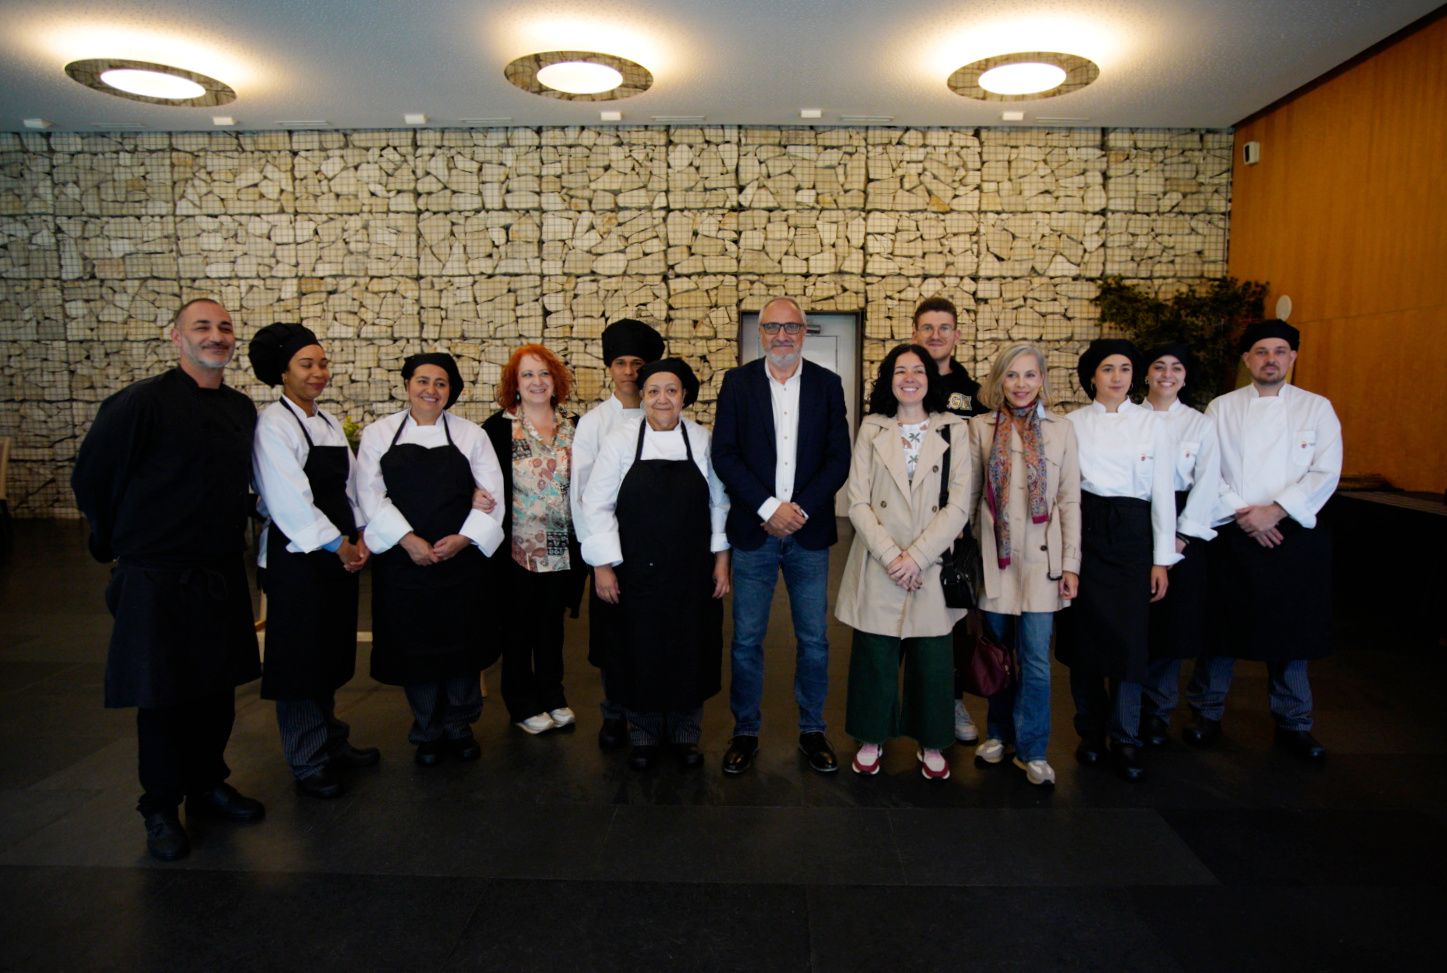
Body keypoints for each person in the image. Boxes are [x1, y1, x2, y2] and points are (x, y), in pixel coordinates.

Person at [72, 297, 264, 862]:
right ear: (176, 337)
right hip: (156, 573)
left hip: (220, 568)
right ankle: (159, 806)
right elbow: (92, 477)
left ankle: (207, 784)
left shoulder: (239, 408)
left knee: (217, 688)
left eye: (224, 327)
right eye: (202, 326)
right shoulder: (140, 403)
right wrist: (117, 543)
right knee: (161, 695)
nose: (216, 336)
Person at [1185, 319, 1342, 761]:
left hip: (1293, 533)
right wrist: (1245, 513)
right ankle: (1206, 714)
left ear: (1293, 357)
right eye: (1261, 351)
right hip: (1233, 530)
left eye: (1279, 351)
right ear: (1247, 359)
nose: (1270, 359)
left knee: (1293, 633)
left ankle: (1294, 723)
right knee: (1221, 630)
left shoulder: (1317, 408)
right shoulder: (1222, 408)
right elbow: (1207, 469)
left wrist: (1275, 511)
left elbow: (1326, 470)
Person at [711, 296, 851, 775]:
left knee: (814, 639)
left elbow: (838, 458)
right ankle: (745, 731)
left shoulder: (828, 385)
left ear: (804, 333)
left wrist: (800, 509)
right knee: (746, 639)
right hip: (755, 530)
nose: (782, 336)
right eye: (773, 327)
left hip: (808, 533)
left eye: (791, 327)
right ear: (761, 334)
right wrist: (769, 508)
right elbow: (725, 454)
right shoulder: (737, 383)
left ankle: (813, 730)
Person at [248, 323, 379, 800]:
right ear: (282, 373)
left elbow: (351, 485)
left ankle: (332, 741)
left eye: (322, 363)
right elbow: (289, 501)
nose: (318, 372)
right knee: (300, 661)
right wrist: (338, 545)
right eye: (306, 364)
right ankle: (307, 759)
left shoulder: (326, 421)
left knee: (328, 653)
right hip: (297, 560)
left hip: (337, 554)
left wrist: (362, 534)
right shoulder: (273, 424)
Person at [579, 358, 731, 770]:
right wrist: (603, 565)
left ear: (684, 396)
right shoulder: (620, 441)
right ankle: (643, 734)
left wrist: (721, 561)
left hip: (691, 571)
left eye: (671, 390)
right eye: (653, 391)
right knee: (638, 649)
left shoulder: (701, 439)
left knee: (689, 649)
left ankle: (685, 735)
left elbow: (719, 503)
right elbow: (596, 504)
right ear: (643, 396)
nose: (662, 399)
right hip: (635, 572)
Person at [356, 352, 505, 766]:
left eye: (441, 383)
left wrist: (463, 538)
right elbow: (368, 494)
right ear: (407, 384)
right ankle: (427, 730)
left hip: (460, 562)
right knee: (415, 647)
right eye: (423, 381)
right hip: (404, 564)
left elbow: (493, 494)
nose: (431, 390)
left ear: (450, 391)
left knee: (462, 647)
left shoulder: (471, 435)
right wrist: (408, 541)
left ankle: (459, 726)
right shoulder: (379, 434)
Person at [836, 345, 972, 780]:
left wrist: (916, 557)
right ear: (888, 379)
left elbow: (960, 504)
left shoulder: (954, 429)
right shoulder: (872, 427)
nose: (909, 378)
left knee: (932, 659)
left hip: (930, 562)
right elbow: (857, 500)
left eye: (918, 370)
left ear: (930, 378)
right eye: (900, 370)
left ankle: (932, 740)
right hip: (880, 559)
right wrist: (893, 556)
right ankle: (871, 736)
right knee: (875, 656)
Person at [1057, 338, 1179, 783]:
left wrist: (1161, 560)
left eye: (1125, 368)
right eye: (1107, 368)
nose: (1117, 377)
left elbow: (1163, 493)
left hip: (1132, 537)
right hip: (1085, 531)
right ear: (1092, 376)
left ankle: (1126, 737)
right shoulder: (1070, 424)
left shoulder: (1153, 424)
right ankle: (1090, 733)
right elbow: (1063, 492)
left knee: (1129, 645)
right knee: (1085, 641)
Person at [966, 343, 1081, 787]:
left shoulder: (1062, 430)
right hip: (995, 562)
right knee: (997, 655)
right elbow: (970, 497)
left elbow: (1069, 501)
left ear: (1042, 379)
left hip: (1042, 564)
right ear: (999, 380)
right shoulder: (979, 428)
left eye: (1029, 375)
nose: (1020, 384)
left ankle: (1033, 750)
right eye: (1011, 375)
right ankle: (998, 734)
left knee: (1034, 660)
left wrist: (1071, 564)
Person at [569, 318, 666, 750]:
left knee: (654, 634)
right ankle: (613, 713)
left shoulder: (665, 414)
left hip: (658, 551)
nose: (629, 372)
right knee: (614, 637)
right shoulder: (593, 423)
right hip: (611, 550)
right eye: (621, 363)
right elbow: (582, 495)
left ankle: (654, 710)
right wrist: (600, 560)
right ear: (610, 368)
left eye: (637, 364)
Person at [482, 344, 587, 735]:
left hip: (562, 546)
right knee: (517, 628)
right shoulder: (497, 428)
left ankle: (552, 695)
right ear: (515, 383)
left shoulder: (575, 426)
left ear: (555, 381)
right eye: (527, 374)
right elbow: (478, 476)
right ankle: (522, 703)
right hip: (515, 548)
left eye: (544, 373)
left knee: (551, 626)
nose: (537, 382)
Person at [910, 297, 988, 746]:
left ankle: (952, 699)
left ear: (957, 335)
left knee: (953, 616)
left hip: (955, 524)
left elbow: (978, 461)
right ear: (915, 333)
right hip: (906, 520)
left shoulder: (973, 394)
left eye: (944, 328)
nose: (936, 335)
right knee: (902, 615)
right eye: (927, 327)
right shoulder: (902, 383)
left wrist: (964, 517)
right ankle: (902, 704)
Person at [1138, 343, 1221, 747]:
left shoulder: (1200, 425)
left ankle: (1158, 712)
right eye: (1159, 366)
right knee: (1132, 623)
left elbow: (1207, 485)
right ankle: (1125, 709)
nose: (1167, 375)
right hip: (1134, 525)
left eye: (1176, 368)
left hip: (1182, 532)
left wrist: (1180, 539)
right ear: (1146, 374)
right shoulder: (1129, 418)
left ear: (1186, 377)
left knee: (1169, 629)